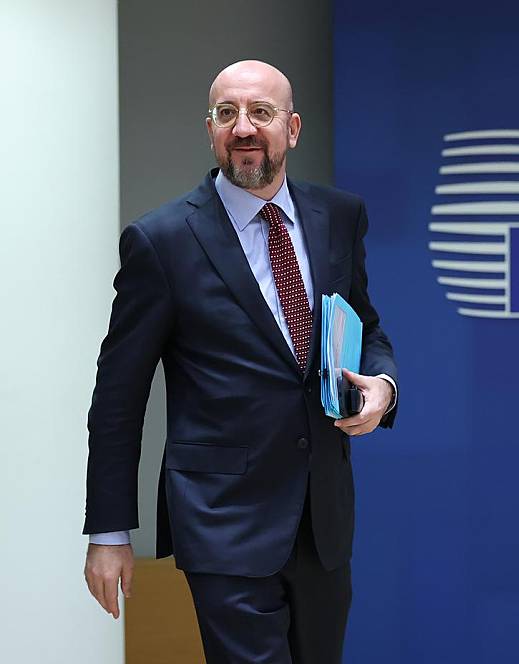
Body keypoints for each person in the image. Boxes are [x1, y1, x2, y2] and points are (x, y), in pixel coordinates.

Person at [83, 59, 398, 664]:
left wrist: (382, 384)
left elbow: (367, 324)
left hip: (322, 521)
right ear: (211, 130)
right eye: (226, 113)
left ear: (293, 127)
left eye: (261, 112)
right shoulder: (163, 240)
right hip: (222, 522)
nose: (243, 126)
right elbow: (118, 397)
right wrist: (109, 533)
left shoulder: (339, 217)